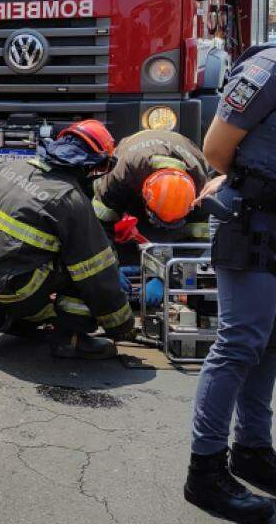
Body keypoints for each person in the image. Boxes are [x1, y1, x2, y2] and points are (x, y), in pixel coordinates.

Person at [184, 45, 276, 524]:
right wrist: (238, 178)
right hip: (250, 221)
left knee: (269, 342)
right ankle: (206, 472)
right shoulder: (269, 69)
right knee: (239, 343)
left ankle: (253, 450)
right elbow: (217, 148)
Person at [0, 120, 137, 359]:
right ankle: (70, 338)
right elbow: (97, 275)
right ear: (91, 165)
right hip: (21, 288)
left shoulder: (13, 168)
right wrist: (122, 326)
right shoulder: (69, 199)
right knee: (85, 273)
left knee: (42, 254)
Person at [93, 129, 212, 244]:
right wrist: (108, 243)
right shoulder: (123, 172)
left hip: (181, 144)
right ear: (145, 193)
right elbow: (104, 211)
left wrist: (190, 256)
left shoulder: (200, 183)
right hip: (135, 146)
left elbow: (200, 225)